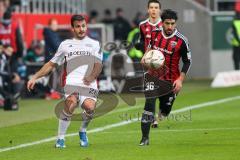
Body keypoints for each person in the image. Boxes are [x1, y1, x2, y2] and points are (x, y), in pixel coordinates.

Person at [27, 15, 103, 148]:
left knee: (90, 108)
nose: (81, 29)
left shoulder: (95, 44)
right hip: (72, 81)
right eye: (78, 26)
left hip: (89, 82)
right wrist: (35, 77)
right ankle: (60, 139)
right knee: (71, 104)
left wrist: (91, 77)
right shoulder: (65, 45)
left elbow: (98, 65)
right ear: (73, 28)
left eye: (83, 26)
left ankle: (83, 130)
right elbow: (51, 64)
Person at [139, 9, 192, 146]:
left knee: (165, 109)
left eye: (172, 24)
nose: (170, 27)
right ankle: (145, 138)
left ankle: (163, 112)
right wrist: (145, 58)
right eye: (167, 23)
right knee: (149, 104)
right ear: (162, 23)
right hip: (153, 76)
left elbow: (187, 61)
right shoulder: (154, 34)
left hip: (170, 81)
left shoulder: (181, 40)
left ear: (176, 23)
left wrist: (180, 80)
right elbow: (149, 50)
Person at [136, 0, 162, 128]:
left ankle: (159, 113)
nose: (153, 10)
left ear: (159, 10)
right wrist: (140, 45)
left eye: (156, 7)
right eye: (151, 7)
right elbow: (141, 39)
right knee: (150, 91)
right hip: (148, 61)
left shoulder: (165, 24)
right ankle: (153, 117)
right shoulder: (142, 25)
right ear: (148, 9)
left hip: (163, 62)